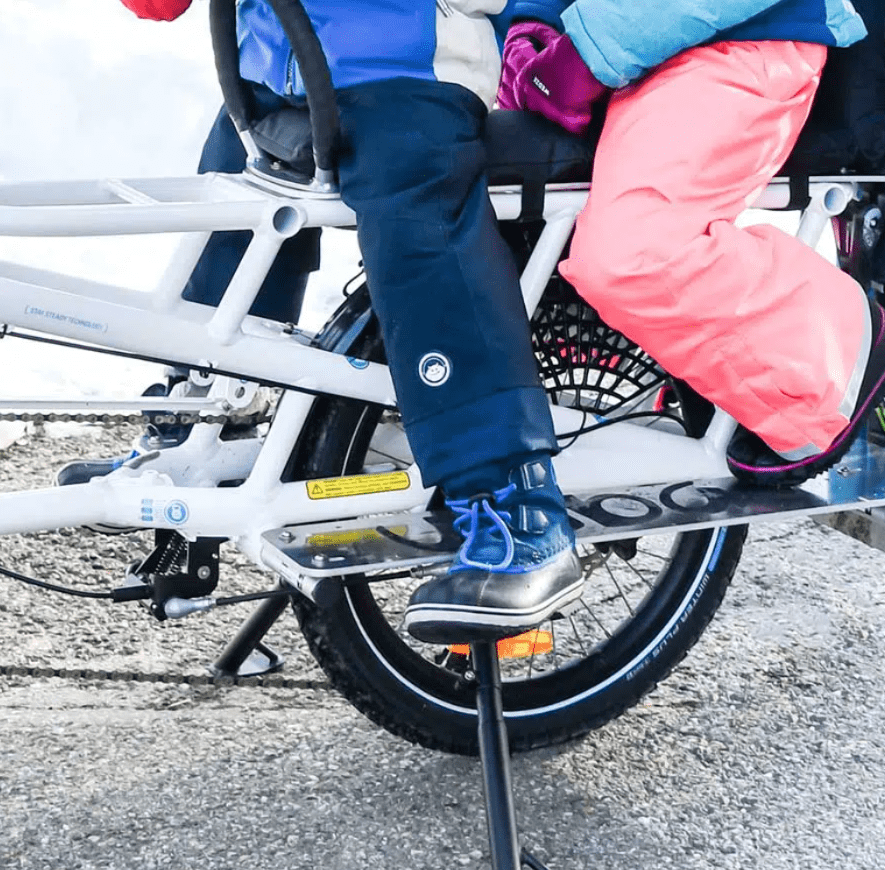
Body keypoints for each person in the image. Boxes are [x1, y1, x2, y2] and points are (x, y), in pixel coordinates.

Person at [63, 0, 588, 642]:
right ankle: (206, 422)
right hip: (275, 73)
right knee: (229, 216)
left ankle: (518, 504)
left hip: (407, 75)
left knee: (422, 237)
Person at [498, 0, 885, 487]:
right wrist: (534, 20)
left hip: (733, 34)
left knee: (631, 253)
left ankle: (833, 349)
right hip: (636, 41)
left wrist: (585, 50)